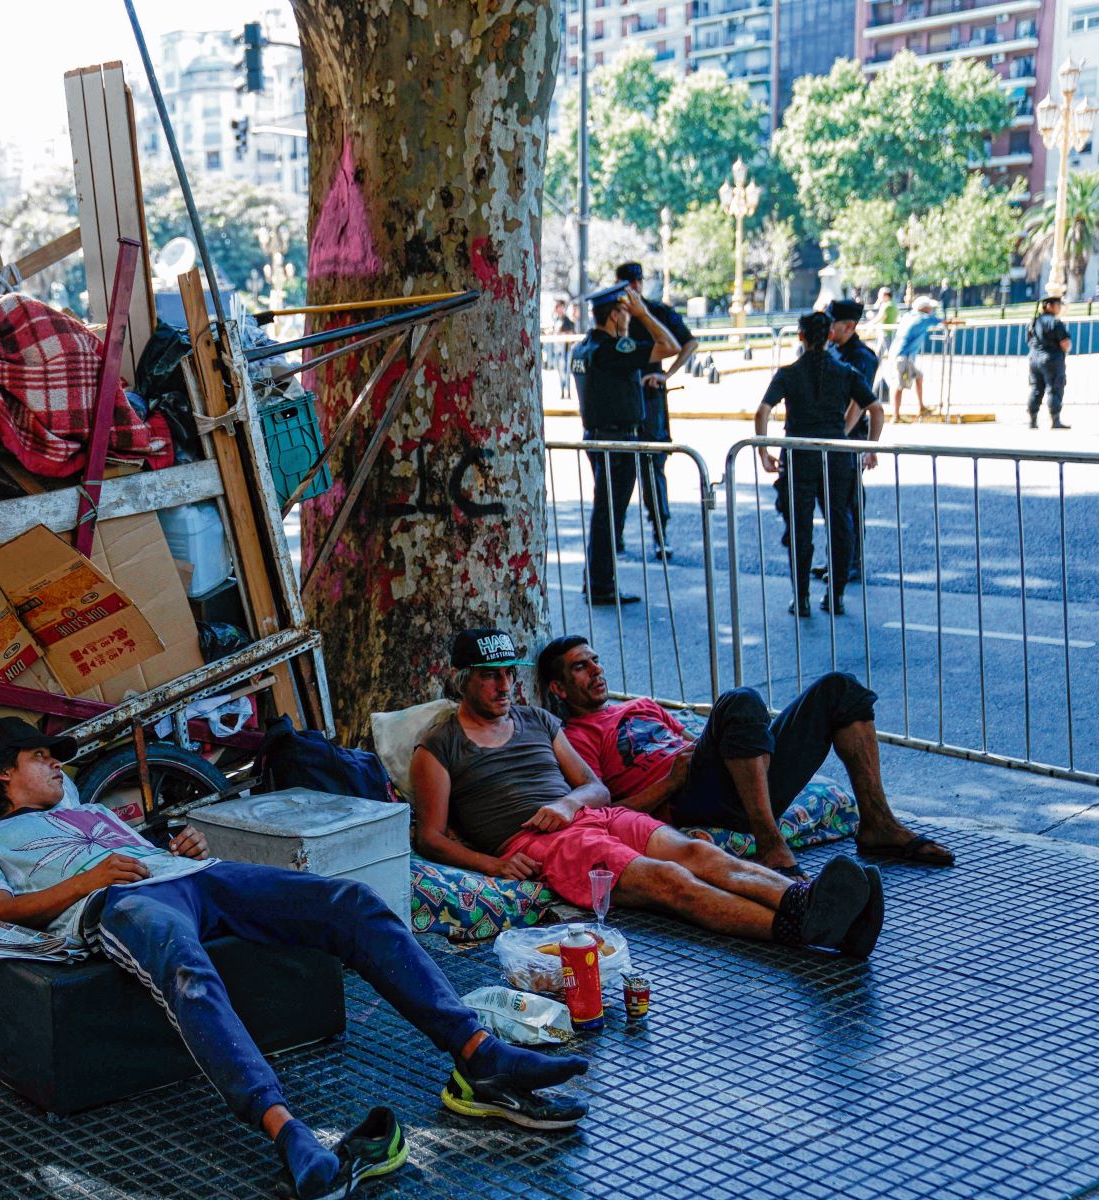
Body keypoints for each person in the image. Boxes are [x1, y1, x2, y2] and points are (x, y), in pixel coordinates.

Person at [0, 716, 591, 1200]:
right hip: (122, 905)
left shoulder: (89, 812)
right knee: (185, 970)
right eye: (41, 757)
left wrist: (186, 847)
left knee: (350, 901)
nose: (57, 766)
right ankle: (289, 1132)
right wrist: (84, 885)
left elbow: (154, 851)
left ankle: (478, 1055)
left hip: (190, 877)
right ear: (3, 772)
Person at [408, 629, 884, 958]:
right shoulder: (440, 745)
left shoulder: (538, 721)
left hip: (593, 817)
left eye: (509, 672)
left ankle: (809, 898)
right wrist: (495, 865)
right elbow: (428, 836)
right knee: (670, 880)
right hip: (543, 842)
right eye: (490, 675)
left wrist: (568, 802)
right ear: (461, 679)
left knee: (699, 852)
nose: (504, 684)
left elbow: (595, 787)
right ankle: (800, 926)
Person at [537, 635, 955, 879]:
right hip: (692, 795)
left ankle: (878, 824)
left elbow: (697, 739)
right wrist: (670, 783)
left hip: (731, 776)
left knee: (839, 688)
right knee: (739, 699)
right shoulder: (576, 736)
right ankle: (770, 843)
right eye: (580, 667)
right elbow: (603, 814)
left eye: (596, 660)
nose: (596, 671)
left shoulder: (643, 704)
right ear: (558, 689)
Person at [755, 312, 873, 617]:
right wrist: (865, 445)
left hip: (798, 455)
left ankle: (802, 597)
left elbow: (762, 411)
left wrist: (764, 451)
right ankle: (835, 596)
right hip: (835, 456)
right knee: (840, 524)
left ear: (800, 337)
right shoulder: (845, 372)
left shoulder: (788, 373)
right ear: (830, 335)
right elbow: (875, 407)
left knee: (799, 527)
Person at [569, 281, 680, 604]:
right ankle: (601, 586)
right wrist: (645, 314)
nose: (629, 318)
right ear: (615, 315)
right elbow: (669, 345)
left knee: (605, 513)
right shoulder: (613, 348)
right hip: (616, 442)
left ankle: (599, 582)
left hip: (600, 438)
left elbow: (606, 384)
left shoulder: (584, 348)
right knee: (609, 516)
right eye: (625, 312)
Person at [618, 262, 697, 559]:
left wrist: (667, 375)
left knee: (653, 469)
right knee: (620, 469)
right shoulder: (615, 314)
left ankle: (660, 534)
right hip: (625, 399)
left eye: (634, 283)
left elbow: (688, 343)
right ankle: (619, 532)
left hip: (650, 400)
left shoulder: (656, 312)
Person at [824, 298, 885, 584]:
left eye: (832, 322)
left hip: (849, 434)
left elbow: (859, 403)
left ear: (849, 326)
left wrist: (845, 436)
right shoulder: (832, 350)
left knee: (848, 502)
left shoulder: (862, 356)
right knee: (834, 501)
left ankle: (851, 562)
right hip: (835, 432)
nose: (827, 327)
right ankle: (836, 560)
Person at [886, 295, 943, 422]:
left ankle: (921, 407)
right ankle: (895, 416)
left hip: (899, 354)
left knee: (919, 377)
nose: (931, 310)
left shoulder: (908, 316)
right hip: (903, 356)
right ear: (925, 308)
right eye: (930, 307)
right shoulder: (924, 318)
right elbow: (943, 321)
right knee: (899, 385)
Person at [1026, 294, 1073, 430]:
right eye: (1058, 305)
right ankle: (1055, 420)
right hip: (1052, 360)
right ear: (1049, 306)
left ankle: (1033, 420)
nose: (1059, 308)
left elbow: (1029, 341)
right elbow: (1065, 343)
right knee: (1054, 389)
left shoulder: (1034, 321)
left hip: (1034, 359)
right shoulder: (1055, 322)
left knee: (1036, 389)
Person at [551, 297, 577, 401]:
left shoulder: (567, 320)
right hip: (557, 349)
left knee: (566, 372)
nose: (557, 309)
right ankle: (562, 392)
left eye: (559, 306)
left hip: (565, 349)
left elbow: (571, 333)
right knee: (560, 372)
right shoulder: (556, 320)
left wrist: (560, 334)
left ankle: (568, 393)